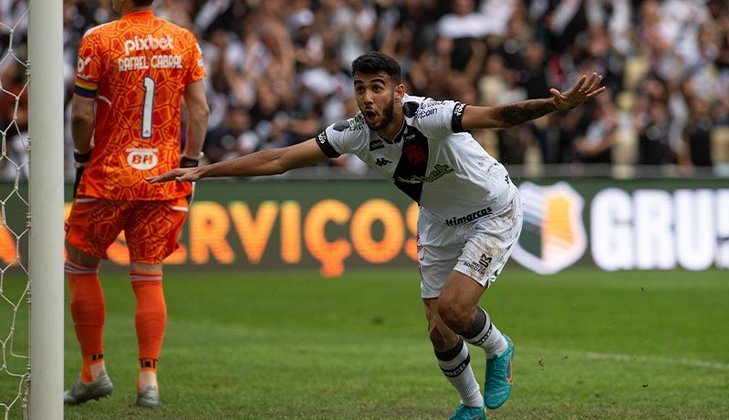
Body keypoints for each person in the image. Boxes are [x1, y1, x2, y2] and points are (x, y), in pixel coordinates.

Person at [148, 51, 603, 419]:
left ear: (398, 91)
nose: (366, 98)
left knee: (455, 309)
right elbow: (277, 160)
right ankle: (472, 407)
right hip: (438, 221)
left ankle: (499, 348)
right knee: (438, 331)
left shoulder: (428, 115)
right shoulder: (353, 133)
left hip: (492, 211)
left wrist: (555, 106)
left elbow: (501, 116)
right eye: (360, 88)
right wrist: (204, 171)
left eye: (377, 87)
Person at [64, 0, 208, 408]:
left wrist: (80, 158)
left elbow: (81, 115)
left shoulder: (100, 38)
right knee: (148, 275)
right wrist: (190, 164)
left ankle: (93, 369)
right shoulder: (183, 40)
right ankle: (149, 381)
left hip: (108, 176)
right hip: (163, 179)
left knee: (79, 264)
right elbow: (200, 110)